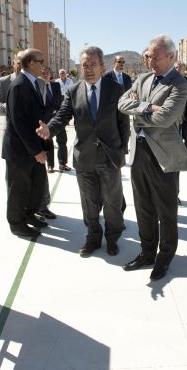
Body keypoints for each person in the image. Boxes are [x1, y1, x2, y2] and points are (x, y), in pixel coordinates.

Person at [37, 46, 129, 257]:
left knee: (112, 202)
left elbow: (123, 122)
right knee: (89, 203)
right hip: (84, 157)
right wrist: (49, 129)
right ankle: (93, 238)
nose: (88, 69)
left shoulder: (115, 89)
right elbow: (62, 116)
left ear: (102, 68)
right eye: (84, 65)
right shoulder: (73, 90)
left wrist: (122, 150)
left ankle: (113, 238)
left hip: (109, 157)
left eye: (92, 65)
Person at [118, 35, 187, 281]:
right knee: (143, 206)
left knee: (166, 209)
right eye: (149, 56)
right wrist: (148, 108)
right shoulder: (142, 79)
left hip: (164, 155)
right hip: (139, 151)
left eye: (156, 57)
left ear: (171, 57)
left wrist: (138, 110)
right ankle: (147, 251)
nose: (151, 61)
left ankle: (165, 256)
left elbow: (166, 119)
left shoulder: (180, 84)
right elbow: (121, 103)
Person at [0, 52, 56, 221]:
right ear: (15, 63)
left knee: (38, 181)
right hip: (17, 141)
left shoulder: (38, 82)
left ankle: (39, 209)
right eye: (18, 61)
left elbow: (43, 109)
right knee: (18, 185)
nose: (20, 64)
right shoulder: (6, 83)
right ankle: (19, 218)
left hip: (36, 138)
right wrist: (13, 106)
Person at [1, 48, 52, 238]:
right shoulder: (19, 86)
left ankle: (29, 216)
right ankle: (17, 224)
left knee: (35, 187)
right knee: (19, 190)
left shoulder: (32, 83)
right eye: (41, 61)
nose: (43, 65)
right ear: (31, 63)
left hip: (32, 148)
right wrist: (35, 150)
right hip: (20, 151)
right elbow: (19, 123)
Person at [54, 69, 73, 171]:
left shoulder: (70, 81)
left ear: (66, 74)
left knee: (62, 141)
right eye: (60, 73)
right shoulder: (56, 83)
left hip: (67, 99)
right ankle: (50, 165)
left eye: (63, 73)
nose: (62, 75)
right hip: (58, 102)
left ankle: (62, 164)